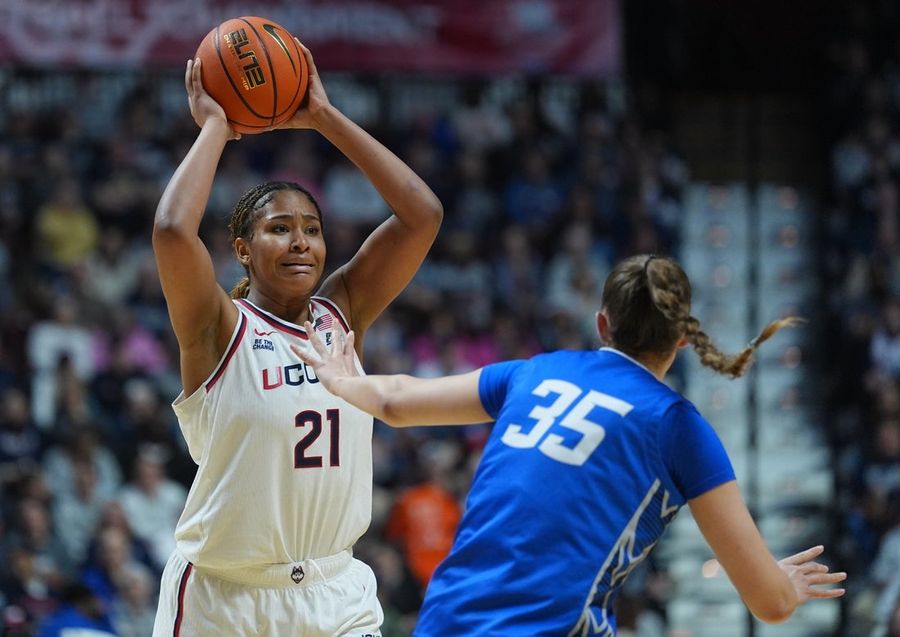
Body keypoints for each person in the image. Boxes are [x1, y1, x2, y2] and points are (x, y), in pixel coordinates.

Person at [293, 254, 847, 635]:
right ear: (681, 338)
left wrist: (342, 379)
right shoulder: (678, 425)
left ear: (603, 324)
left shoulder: (536, 372)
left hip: (445, 620)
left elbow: (394, 401)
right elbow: (769, 603)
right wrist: (788, 588)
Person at [150, 39, 442, 637]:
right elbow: (173, 230)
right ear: (242, 251)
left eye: (311, 228)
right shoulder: (218, 329)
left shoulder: (343, 313)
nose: (300, 241)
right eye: (278, 229)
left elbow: (422, 214)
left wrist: (324, 117)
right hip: (226, 599)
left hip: (335, 591)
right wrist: (215, 127)